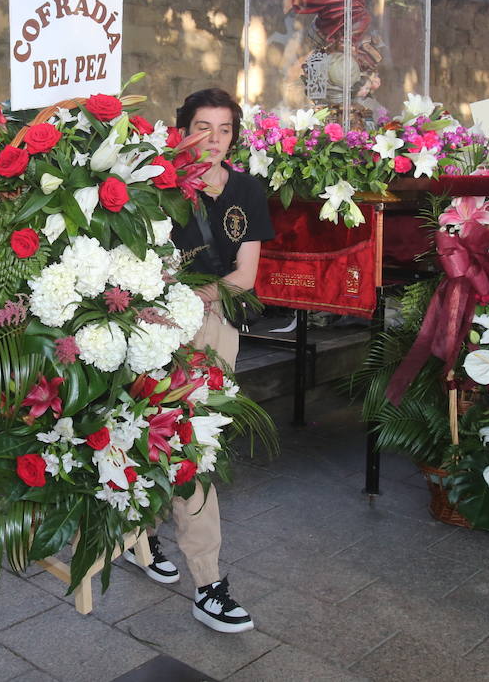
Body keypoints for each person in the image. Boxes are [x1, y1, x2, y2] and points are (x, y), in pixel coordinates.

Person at [124, 86, 274, 633]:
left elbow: (244, 277)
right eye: (202, 127)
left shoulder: (247, 191)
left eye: (225, 129)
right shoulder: (152, 185)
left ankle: (190, 568)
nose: (213, 139)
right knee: (149, 432)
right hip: (152, 326)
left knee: (195, 443)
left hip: (212, 327)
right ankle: (166, 555)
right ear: (181, 128)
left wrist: (188, 297)